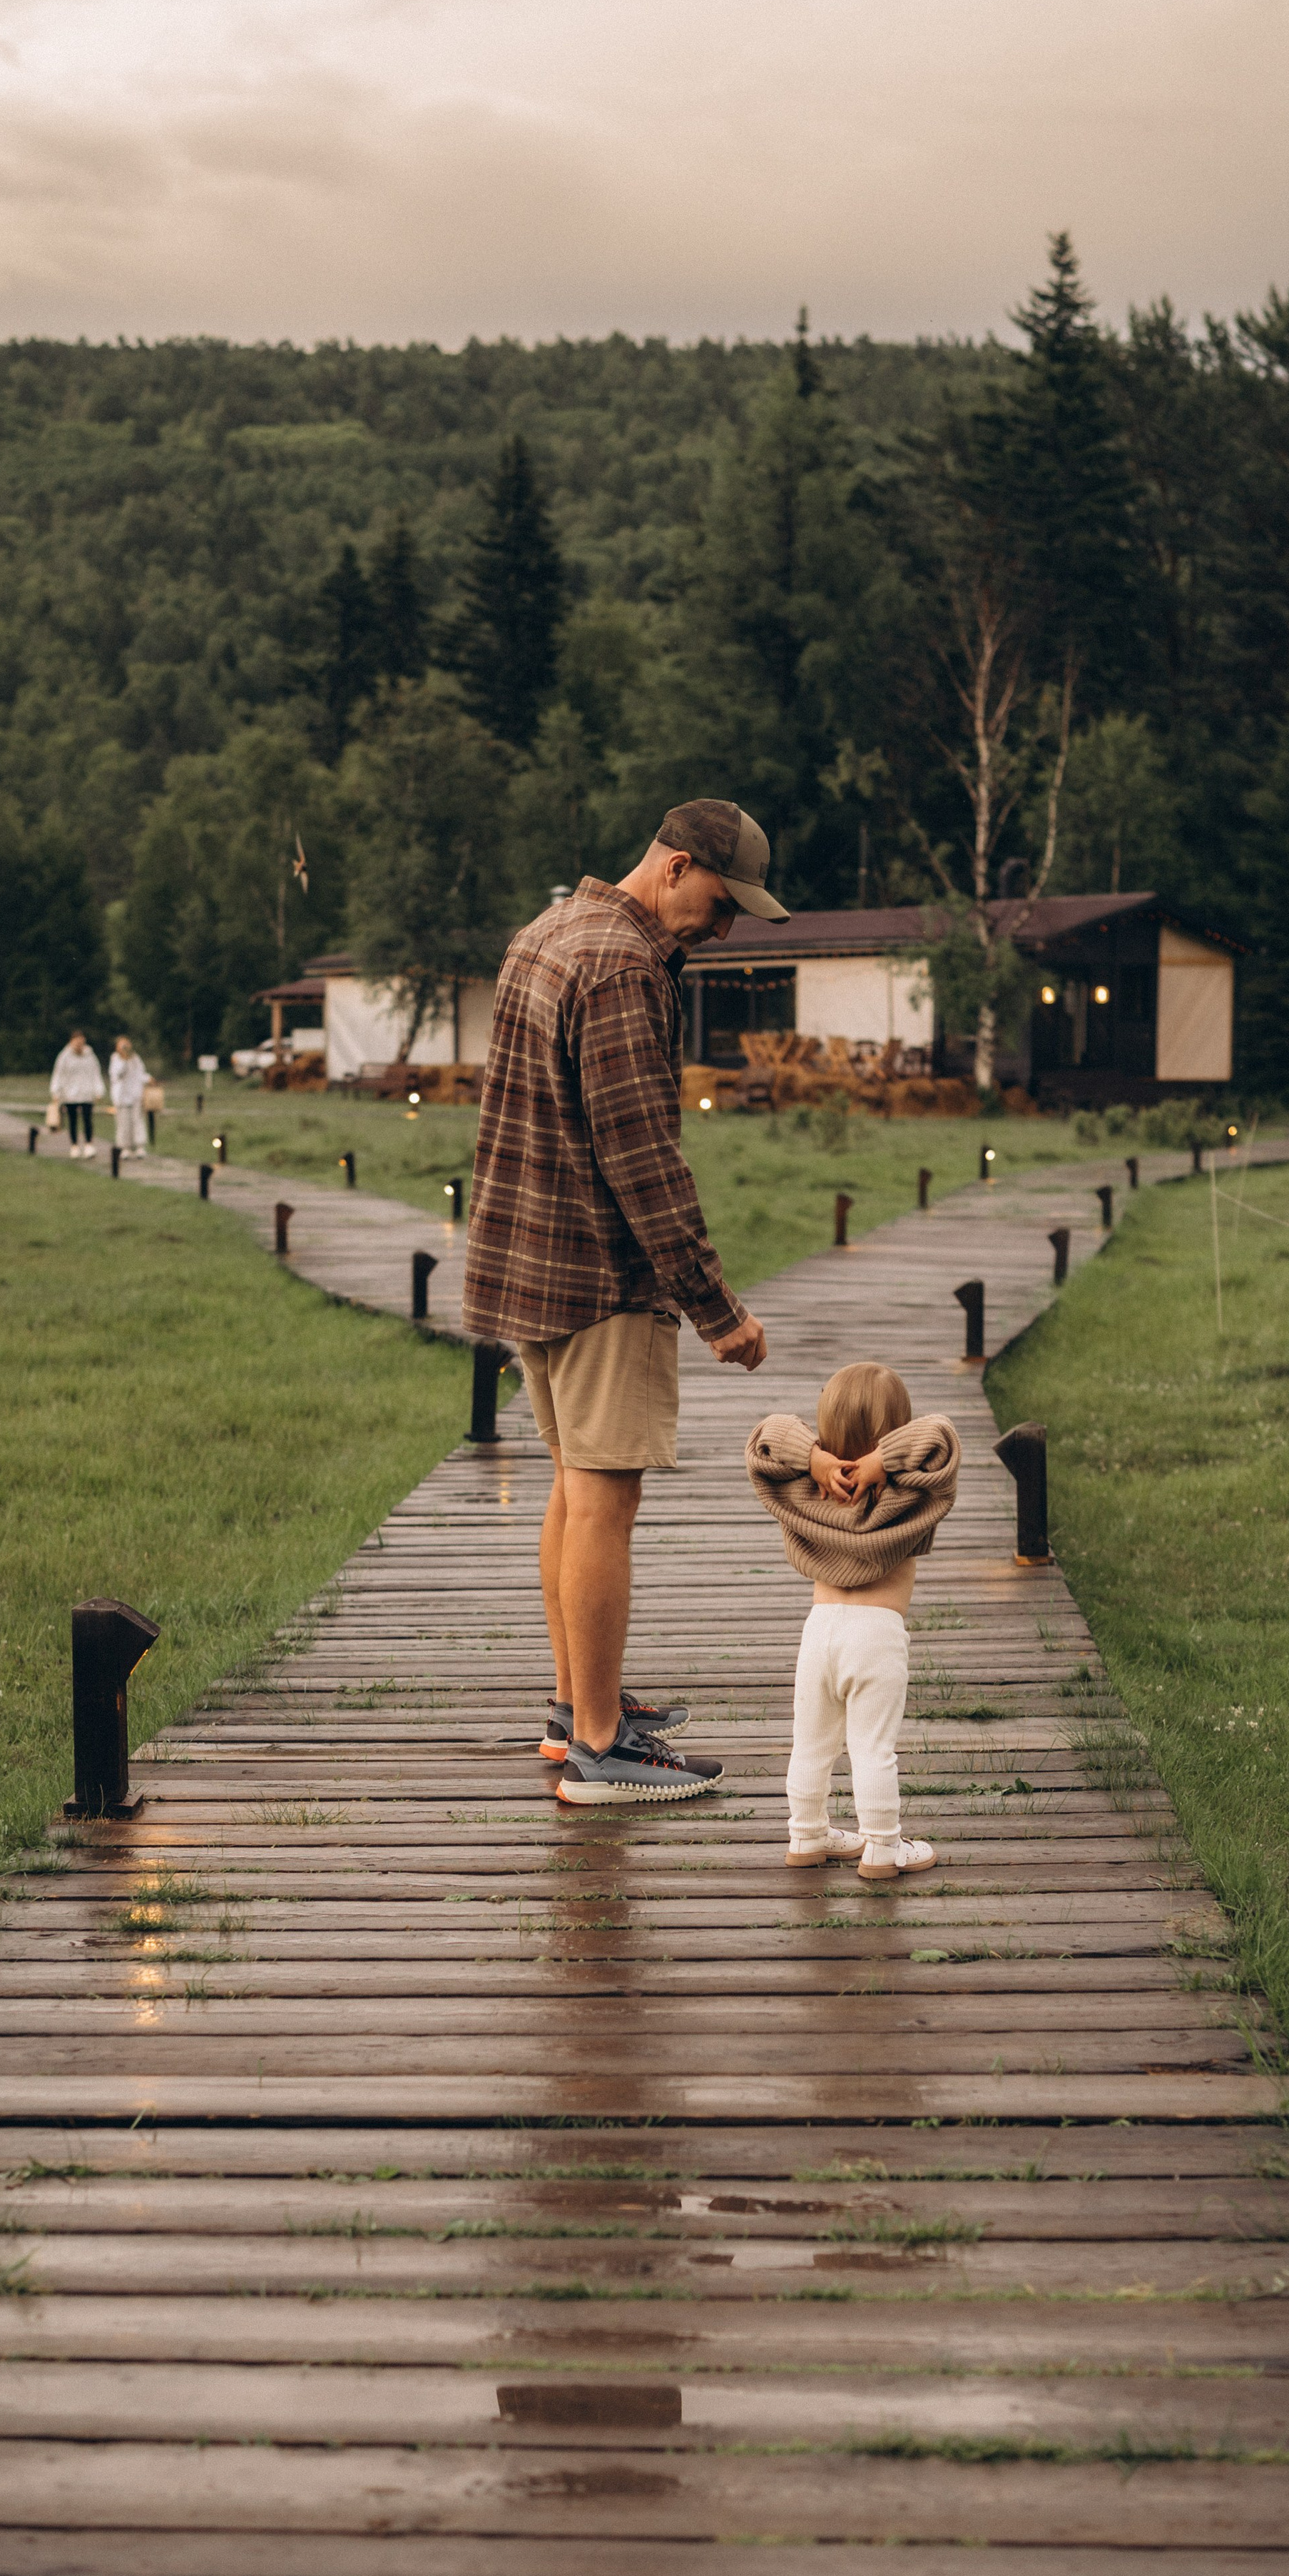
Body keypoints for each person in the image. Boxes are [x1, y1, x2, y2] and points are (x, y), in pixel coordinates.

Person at [464, 800, 783, 1806]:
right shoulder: (624, 966)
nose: (725, 930)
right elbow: (641, 1157)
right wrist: (714, 1305)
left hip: (532, 1263)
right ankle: (603, 1749)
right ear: (677, 865)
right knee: (606, 1501)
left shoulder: (550, 930)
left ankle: (576, 1709)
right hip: (603, 1274)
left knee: (573, 1486)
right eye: (721, 905)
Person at [745, 1360, 959, 1880]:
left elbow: (766, 1437)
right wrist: (885, 1463)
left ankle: (807, 1836)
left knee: (811, 1744)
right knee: (873, 1750)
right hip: (877, 1636)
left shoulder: (803, 1491)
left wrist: (813, 1460)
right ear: (898, 1433)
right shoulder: (909, 1495)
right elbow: (942, 1437)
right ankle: (883, 1850)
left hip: (820, 1632)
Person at [50, 1032, 106, 1159]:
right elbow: (59, 1074)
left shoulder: (90, 1056)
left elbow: (96, 1073)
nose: (79, 1046)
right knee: (73, 1120)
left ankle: (89, 1145)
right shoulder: (64, 1056)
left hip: (86, 1093)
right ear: (71, 1042)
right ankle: (74, 1146)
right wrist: (56, 1091)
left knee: (87, 1120)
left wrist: (99, 1090)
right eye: (77, 1043)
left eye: (81, 1043)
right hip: (70, 1094)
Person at [109, 1037, 149, 1158]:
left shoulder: (136, 1058)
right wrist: (124, 1060)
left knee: (137, 1121)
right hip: (121, 1096)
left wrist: (149, 1079)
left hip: (135, 1095)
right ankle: (125, 1147)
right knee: (123, 1123)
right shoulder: (115, 1059)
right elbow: (117, 1075)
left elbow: (140, 1074)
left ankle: (140, 1146)